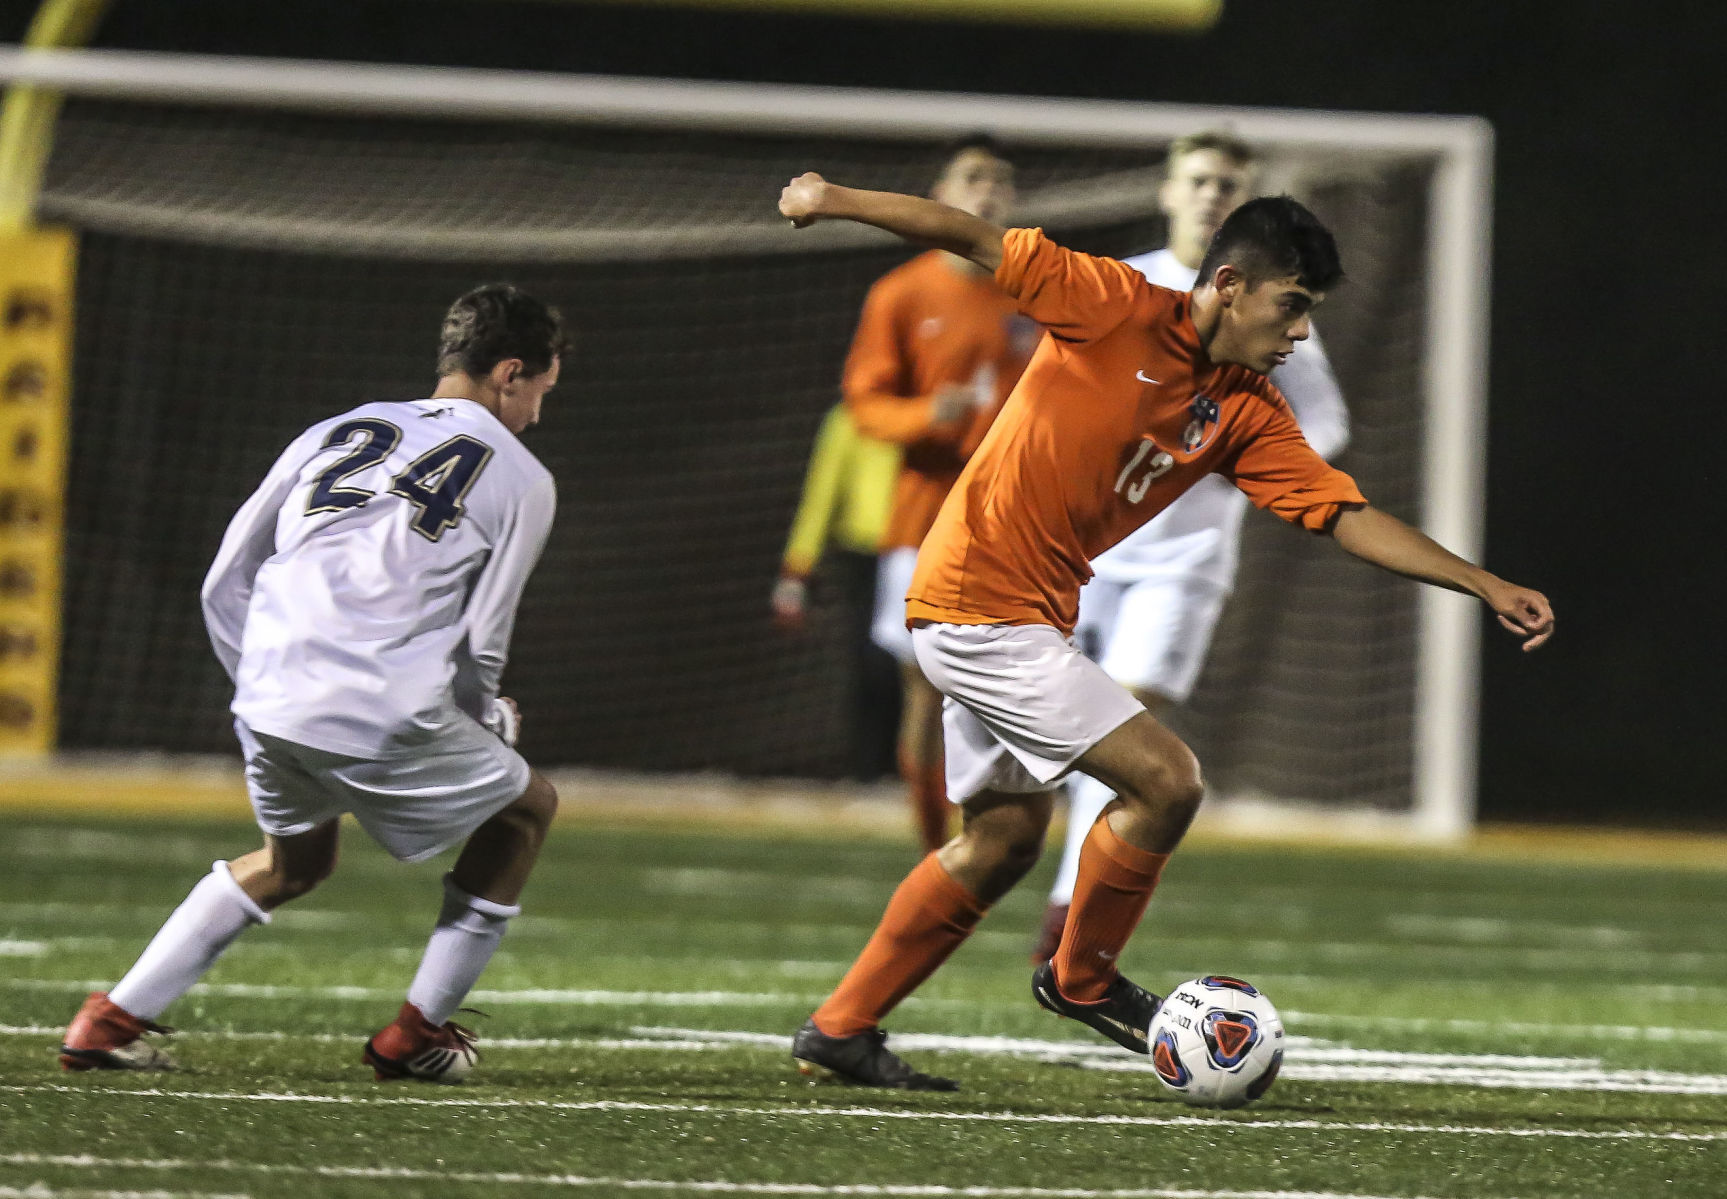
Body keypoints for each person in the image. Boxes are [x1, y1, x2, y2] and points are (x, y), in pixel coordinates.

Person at [776, 171, 1552, 1091]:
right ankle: (1080, 978)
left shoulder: (1245, 409)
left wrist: (1479, 581)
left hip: (1019, 616)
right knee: (1166, 781)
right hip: (979, 607)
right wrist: (830, 198)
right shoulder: (1111, 303)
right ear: (1228, 284)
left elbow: (1343, 514)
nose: (1299, 330)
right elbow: (974, 236)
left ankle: (840, 1027)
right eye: (1290, 304)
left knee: (1002, 838)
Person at [58, 284, 566, 1084]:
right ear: (510, 373)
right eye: (541, 390)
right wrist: (491, 719)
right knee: (526, 811)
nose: (537, 411)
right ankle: (418, 1033)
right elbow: (483, 636)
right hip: (378, 702)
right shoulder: (523, 476)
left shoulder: (334, 430)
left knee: (294, 861)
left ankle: (107, 1020)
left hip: (267, 692)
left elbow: (224, 580)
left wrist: (261, 684)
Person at [1032, 132, 1352, 962]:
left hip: (1183, 558)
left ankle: (1069, 910)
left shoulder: (1268, 309)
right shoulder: (1129, 287)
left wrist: (1241, 460)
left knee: (1126, 724)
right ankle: (1003, 867)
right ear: (1169, 191)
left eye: (1229, 185)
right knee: (1059, 733)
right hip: (1082, 548)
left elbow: (1323, 420)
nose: (1212, 194)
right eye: (1199, 179)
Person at [840, 134, 1037, 851]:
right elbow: (863, 403)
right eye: (974, 176)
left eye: (1002, 179)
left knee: (1008, 698)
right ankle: (935, 851)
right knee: (926, 690)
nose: (990, 190)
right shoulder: (901, 293)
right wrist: (929, 413)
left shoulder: (1035, 289)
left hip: (1014, 527)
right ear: (941, 193)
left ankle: (997, 837)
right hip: (924, 521)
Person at [771, 401, 903, 778]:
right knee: (871, 661)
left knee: (915, 669)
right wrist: (797, 569)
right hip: (865, 555)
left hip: (921, 549)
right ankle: (869, 770)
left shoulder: (930, 413)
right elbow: (821, 494)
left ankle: (910, 771)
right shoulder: (851, 418)